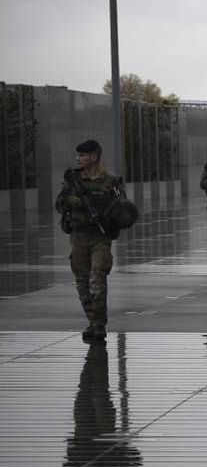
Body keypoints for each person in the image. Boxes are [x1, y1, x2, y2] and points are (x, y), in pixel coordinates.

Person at [55, 139, 127, 342]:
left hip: (100, 237)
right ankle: (92, 321)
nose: (78, 159)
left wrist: (107, 210)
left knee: (97, 278)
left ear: (94, 157)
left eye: (83, 155)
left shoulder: (111, 182)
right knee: (82, 282)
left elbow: (124, 210)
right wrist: (76, 201)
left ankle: (99, 324)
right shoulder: (72, 181)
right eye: (78, 155)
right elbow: (60, 204)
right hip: (78, 235)